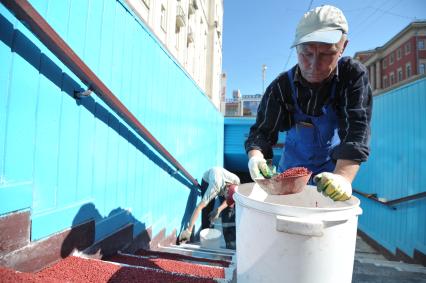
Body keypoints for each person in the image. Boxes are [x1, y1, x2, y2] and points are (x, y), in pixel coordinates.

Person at [245, 5, 372, 201]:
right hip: (289, 174)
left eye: (326, 54)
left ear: (343, 47)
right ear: (297, 48)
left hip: (332, 174)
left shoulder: (352, 76)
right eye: (306, 53)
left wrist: (343, 179)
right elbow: (261, 133)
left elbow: (356, 131)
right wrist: (256, 157)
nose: (314, 65)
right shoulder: (281, 87)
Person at [178, 167, 240, 247]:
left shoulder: (236, 182)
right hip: (207, 180)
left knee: (229, 211)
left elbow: (229, 201)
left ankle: (230, 242)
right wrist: (189, 230)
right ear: (227, 188)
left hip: (222, 180)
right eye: (226, 196)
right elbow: (199, 207)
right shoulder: (214, 187)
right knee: (207, 210)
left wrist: (219, 209)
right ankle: (206, 238)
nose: (226, 198)